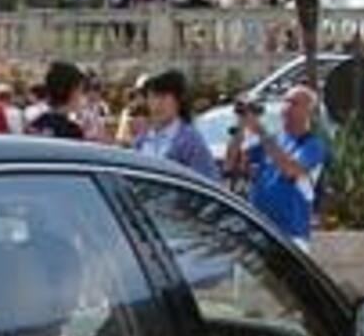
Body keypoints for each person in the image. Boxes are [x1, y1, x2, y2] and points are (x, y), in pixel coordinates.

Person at [224, 84, 329, 245]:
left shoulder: (312, 145)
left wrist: (260, 131)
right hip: (259, 232)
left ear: (309, 111)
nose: (287, 107)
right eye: (286, 101)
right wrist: (241, 124)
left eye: (294, 103)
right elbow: (231, 161)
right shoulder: (274, 139)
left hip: (290, 236)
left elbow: (290, 170)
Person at [129, 69, 217, 178]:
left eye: (164, 97)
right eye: (153, 97)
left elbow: (208, 181)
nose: (157, 104)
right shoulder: (140, 141)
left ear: (178, 100)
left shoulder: (191, 142)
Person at [28, 61, 91, 139]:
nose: (82, 96)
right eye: (81, 90)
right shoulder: (71, 132)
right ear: (73, 92)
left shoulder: (34, 126)